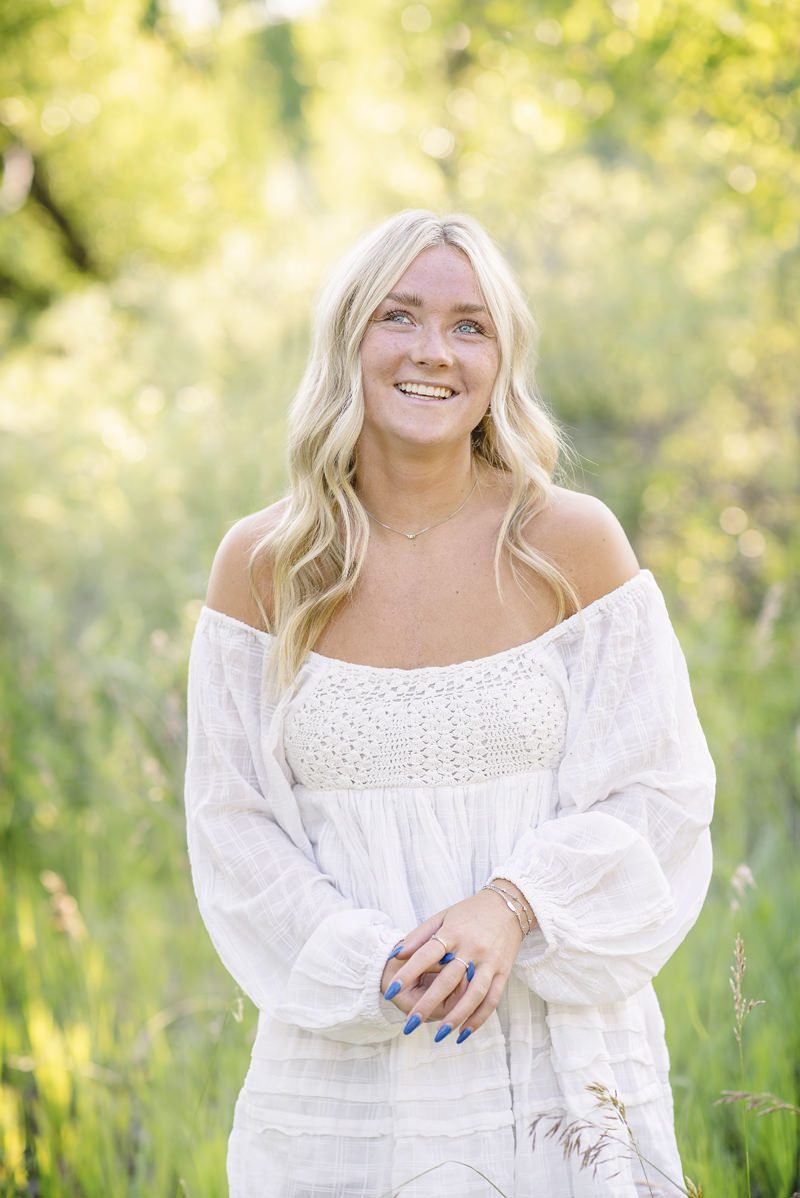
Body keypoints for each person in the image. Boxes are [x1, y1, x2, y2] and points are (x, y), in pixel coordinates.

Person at [182, 209, 716, 1197]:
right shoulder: (263, 563)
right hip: (346, 1076)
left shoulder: (571, 541)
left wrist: (510, 909)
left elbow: (659, 796)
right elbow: (233, 826)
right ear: (348, 338)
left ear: (501, 361)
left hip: (557, 1073)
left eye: (469, 326)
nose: (433, 352)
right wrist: (374, 963)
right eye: (399, 316)